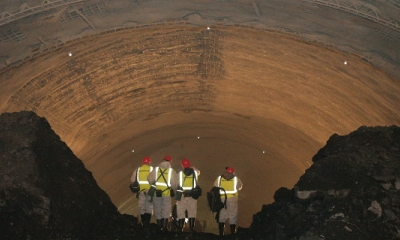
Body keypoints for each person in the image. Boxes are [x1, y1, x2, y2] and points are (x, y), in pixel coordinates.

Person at [147, 155, 178, 233]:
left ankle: (159, 227)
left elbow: (150, 179)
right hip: (166, 194)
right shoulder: (172, 171)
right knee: (166, 210)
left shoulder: (156, 170)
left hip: (156, 193)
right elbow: (174, 184)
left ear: (162, 160)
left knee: (157, 209)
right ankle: (164, 228)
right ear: (170, 161)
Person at [214, 167, 243, 237]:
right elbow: (240, 187)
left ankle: (221, 234)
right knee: (233, 216)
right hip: (232, 199)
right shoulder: (236, 179)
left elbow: (215, 187)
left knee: (222, 216)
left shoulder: (219, 178)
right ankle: (232, 234)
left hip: (222, 199)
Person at [175, 158, 200, 235]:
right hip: (192, 196)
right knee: (192, 212)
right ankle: (191, 229)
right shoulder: (195, 173)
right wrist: (193, 168)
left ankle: (180, 229)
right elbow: (198, 172)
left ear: (182, 165)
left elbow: (176, 184)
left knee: (181, 212)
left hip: (182, 195)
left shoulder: (180, 174)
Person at [130, 156, 153, 228]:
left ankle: (143, 223)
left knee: (142, 208)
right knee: (149, 208)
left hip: (141, 192)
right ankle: (147, 223)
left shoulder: (138, 170)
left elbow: (133, 180)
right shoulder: (152, 169)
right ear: (149, 162)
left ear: (142, 162)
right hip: (150, 192)